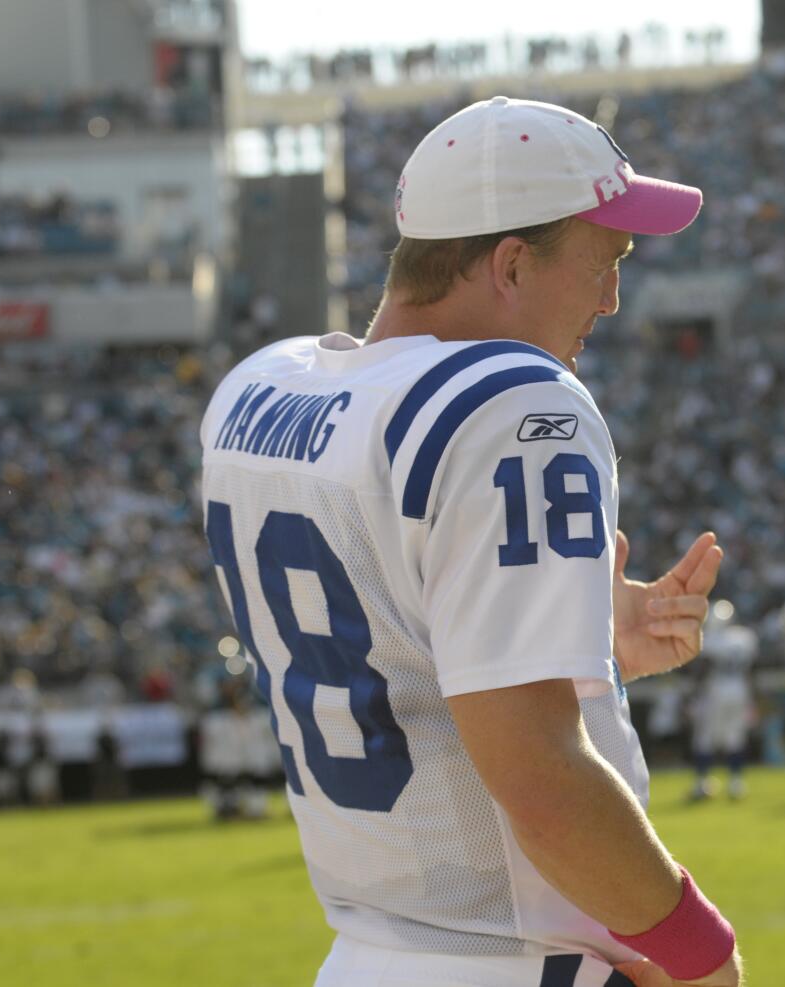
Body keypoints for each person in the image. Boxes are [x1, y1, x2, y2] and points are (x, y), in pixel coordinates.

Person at [200, 96, 741, 987]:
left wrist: (578, 641)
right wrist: (702, 957)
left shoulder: (257, 392)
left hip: (366, 956)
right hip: (510, 960)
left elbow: (391, 637)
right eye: (605, 263)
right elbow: (539, 778)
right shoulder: (514, 403)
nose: (611, 300)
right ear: (513, 264)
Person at [687, 601, 756, 801]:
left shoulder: (711, 640)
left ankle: (702, 782)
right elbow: (750, 669)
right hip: (740, 689)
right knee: (735, 735)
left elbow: (703, 670)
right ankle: (736, 783)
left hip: (716, 690)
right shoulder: (744, 637)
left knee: (705, 736)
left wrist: (693, 693)